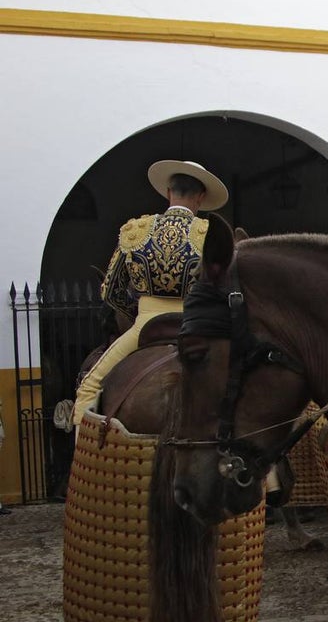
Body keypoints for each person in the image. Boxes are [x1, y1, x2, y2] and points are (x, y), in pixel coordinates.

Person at [73, 160, 228, 424]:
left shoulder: (136, 231)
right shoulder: (209, 235)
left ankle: (80, 459)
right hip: (197, 328)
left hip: (145, 325)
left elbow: (111, 291)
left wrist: (135, 315)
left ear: (169, 192)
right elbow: (221, 289)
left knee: (88, 388)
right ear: (201, 197)